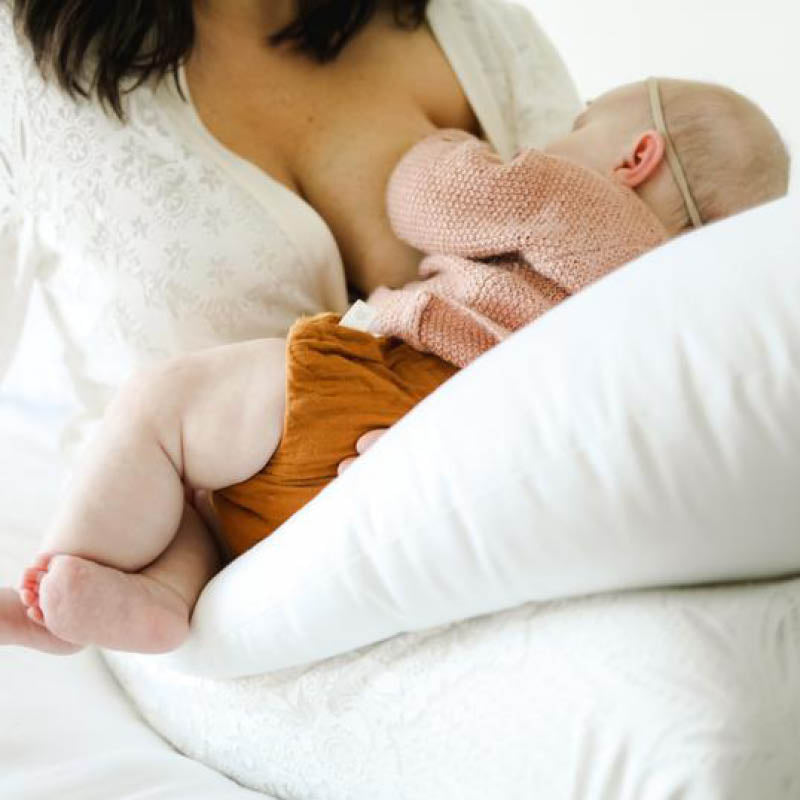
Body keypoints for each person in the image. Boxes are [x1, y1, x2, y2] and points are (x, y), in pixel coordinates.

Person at [0, 75, 789, 656]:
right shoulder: (651, 301)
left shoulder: (579, 201)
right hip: (419, 457)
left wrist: (450, 148)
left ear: (635, 156)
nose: (548, 143)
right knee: (210, 509)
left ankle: (64, 568)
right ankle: (159, 597)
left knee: (162, 405)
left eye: (579, 124)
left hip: (398, 384)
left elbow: (429, 196)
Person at [0, 0, 581, 653]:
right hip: (211, 564)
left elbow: (614, 279)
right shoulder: (17, 76)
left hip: (489, 497)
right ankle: (128, 583)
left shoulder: (466, 24)